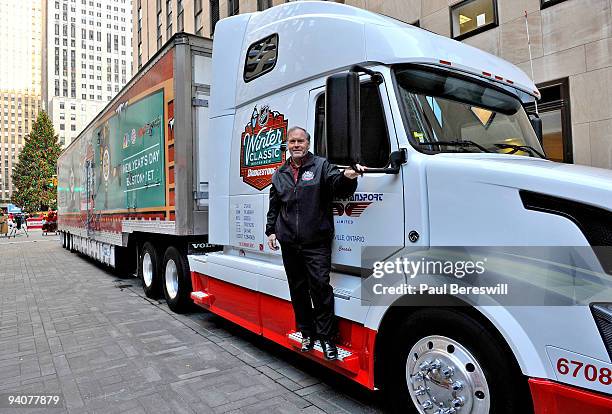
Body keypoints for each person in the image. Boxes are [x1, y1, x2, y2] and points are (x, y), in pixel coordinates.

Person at [266, 126, 364, 360]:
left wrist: (348, 177)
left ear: (308, 143)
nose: (296, 145)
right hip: (289, 242)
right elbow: (275, 205)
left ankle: (327, 339)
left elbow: (338, 186)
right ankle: (307, 333)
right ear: (287, 145)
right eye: (292, 141)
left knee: (320, 288)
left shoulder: (321, 166)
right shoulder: (280, 174)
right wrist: (271, 231)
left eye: (300, 141)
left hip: (316, 242)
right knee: (298, 290)